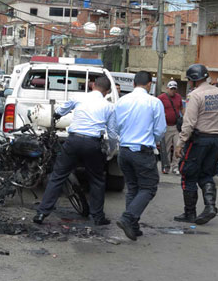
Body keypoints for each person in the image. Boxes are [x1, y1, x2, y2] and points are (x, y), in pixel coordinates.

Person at [33, 76, 117, 225]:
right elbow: (111, 133)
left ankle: (41, 213)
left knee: (57, 176)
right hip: (93, 144)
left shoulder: (79, 98)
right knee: (97, 180)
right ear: (108, 91)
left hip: (73, 141)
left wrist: (57, 115)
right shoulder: (109, 106)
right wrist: (110, 150)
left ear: (92, 85)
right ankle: (98, 217)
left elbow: (60, 111)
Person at [114, 71, 167, 241]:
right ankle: (128, 218)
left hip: (124, 150)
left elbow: (115, 127)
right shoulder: (154, 102)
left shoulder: (122, 101)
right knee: (149, 187)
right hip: (142, 151)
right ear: (149, 84)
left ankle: (133, 225)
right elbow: (160, 130)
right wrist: (152, 140)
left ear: (134, 83)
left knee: (133, 188)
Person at [174, 64, 218, 225]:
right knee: (206, 175)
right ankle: (210, 206)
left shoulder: (195, 95)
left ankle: (190, 213)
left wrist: (180, 143)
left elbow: (189, 122)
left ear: (192, 80)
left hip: (199, 141)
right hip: (215, 139)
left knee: (188, 174)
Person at [158, 81, 184, 175]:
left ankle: (175, 166)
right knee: (167, 148)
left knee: (177, 146)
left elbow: (181, 108)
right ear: (167, 88)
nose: (173, 90)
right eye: (171, 88)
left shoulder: (178, 97)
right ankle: (166, 166)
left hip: (176, 126)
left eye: (174, 89)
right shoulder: (161, 98)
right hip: (166, 126)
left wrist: (184, 118)